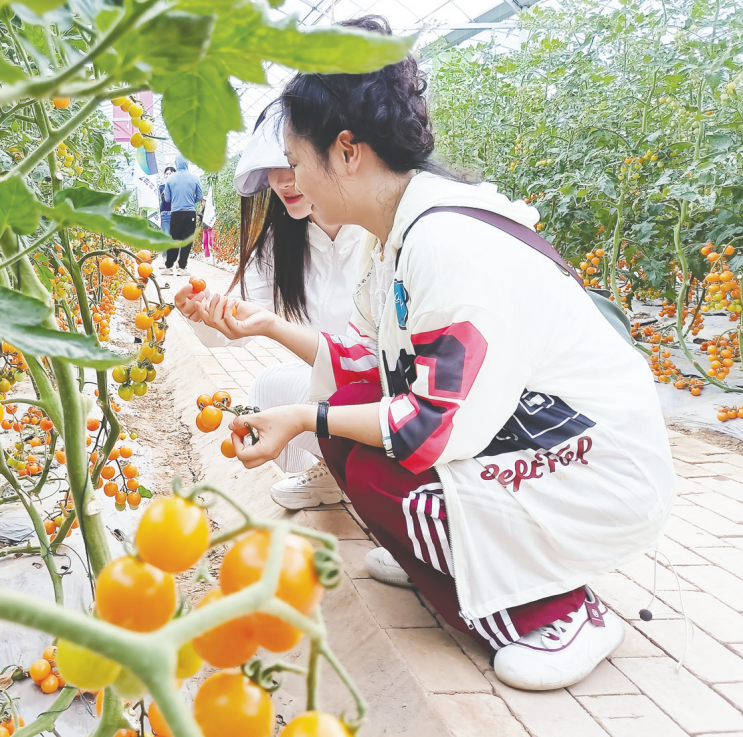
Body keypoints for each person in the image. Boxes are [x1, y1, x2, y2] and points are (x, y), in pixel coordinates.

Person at [181, 15, 674, 692]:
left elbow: (427, 428)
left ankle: (560, 610)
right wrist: (265, 333)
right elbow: (354, 363)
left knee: (383, 474)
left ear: (347, 150)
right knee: (350, 430)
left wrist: (302, 418)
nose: (288, 182)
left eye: (295, 163)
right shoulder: (393, 236)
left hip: (593, 468)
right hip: (521, 430)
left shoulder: (447, 243)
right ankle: (456, 559)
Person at [175, 106, 365, 509]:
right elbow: (243, 314)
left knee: (310, 395)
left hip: (396, 389)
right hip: (343, 381)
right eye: (271, 165)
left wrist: (272, 327)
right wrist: (208, 314)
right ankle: (333, 470)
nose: (280, 179)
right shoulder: (284, 242)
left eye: (291, 161)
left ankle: (387, 489)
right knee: (272, 386)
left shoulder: (377, 233)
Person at [162, 155, 202, 276]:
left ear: (176, 163)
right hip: (190, 212)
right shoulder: (195, 177)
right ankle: (182, 268)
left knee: (174, 239)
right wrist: (190, 201)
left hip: (176, 213)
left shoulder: (170, 179)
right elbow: (200, 196)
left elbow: (167, 198)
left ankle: (169, 267)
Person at [158, 165, 175, 235]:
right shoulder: (162, 187)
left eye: (170, 174)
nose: (168, 175)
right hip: (165, 213)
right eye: (167, 174)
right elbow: (165, 195)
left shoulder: (178, 186)